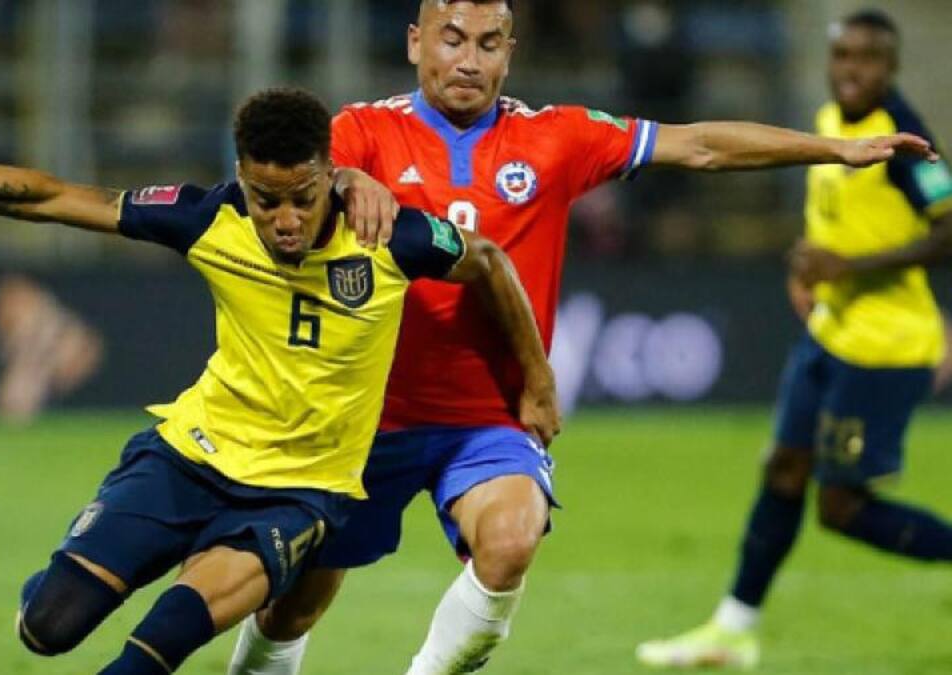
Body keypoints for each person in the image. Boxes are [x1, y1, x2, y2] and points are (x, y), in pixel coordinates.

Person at [227, 2, 940, 674]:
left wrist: (835, 149)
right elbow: (291, 181)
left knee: (509, 542)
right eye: (451, 39)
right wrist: (346, 179)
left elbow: (698, 147)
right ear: (416, 42)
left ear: (510, 52)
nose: (468, 59)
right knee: (295, 604)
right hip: (367, 414)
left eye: (487, 43)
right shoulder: (362, 130)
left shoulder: (555, 136)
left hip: (491, 418)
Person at [0, 86, 557, 674]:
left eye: (302, 196)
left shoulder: (393, 237)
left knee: (150, 652)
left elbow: (488, 260)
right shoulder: (209, 221)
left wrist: (536, 377)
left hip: (299, 495)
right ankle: (88, 559)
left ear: (333, 176)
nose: (285, 219)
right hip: (188, 458)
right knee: (46, 628)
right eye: (267, 200)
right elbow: (48, 196)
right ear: (240, 180)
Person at [636, 10, 952, 669]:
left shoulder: (906, 143)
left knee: (840, 505)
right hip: (829, 333)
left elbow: (949, 231)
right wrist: (807, 265)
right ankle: (733, 629)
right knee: (782, 468)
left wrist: (850, 269)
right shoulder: (833, 125)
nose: (851, 70)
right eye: (842, 57)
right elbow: (832, 219)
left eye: (867, 59)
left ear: (890, 67)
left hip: (884, 347)